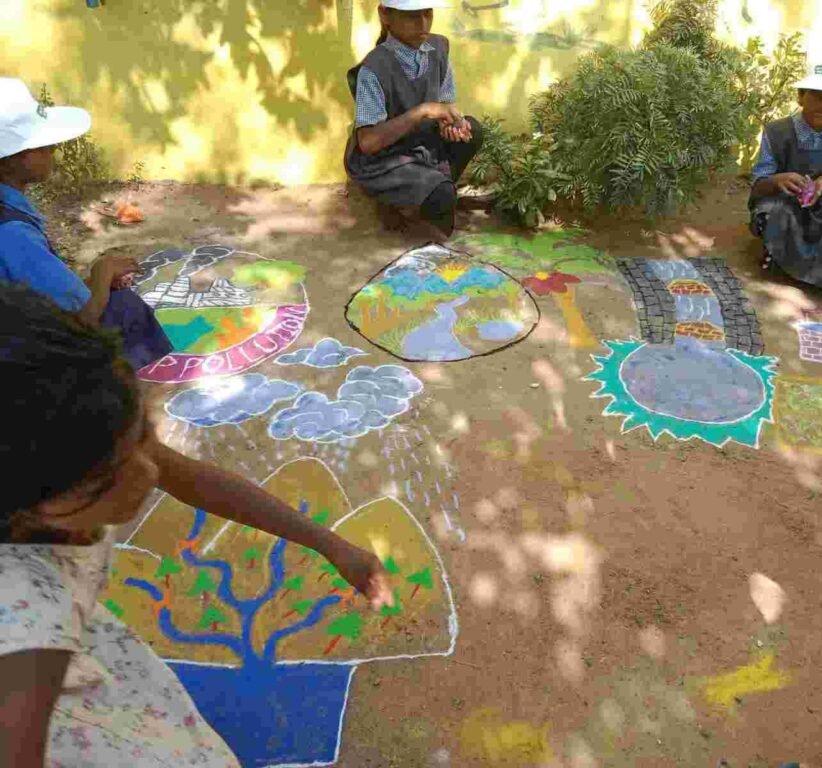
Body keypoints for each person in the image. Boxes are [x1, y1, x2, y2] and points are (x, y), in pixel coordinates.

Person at [0, 282, 393, 766]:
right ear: (27, 506)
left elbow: (193, 480)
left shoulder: (85, 437)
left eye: (144, 435)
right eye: (107, 478)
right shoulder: (28, 629)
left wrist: (330, 545)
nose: (148, 473)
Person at [0, 77, 172, 371]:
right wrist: (102, 273)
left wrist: (93, 282)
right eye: (39, 144)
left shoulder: (10, 211)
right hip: (20, 360)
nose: (53, 146)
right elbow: (81, 319)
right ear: (7, 161)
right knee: (124, 308)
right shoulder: (12, 233)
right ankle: (123, 392)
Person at [344, 0, 483, 238]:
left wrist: (450, 124)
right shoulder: (374, 69)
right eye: (411, 15)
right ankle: (399, 202)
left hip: (421, 143)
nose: (423, 23)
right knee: (441, 196)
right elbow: (368, 143)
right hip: (384, 159)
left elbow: (445, 106)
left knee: (473, 132)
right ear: (385, 14)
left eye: (428, 13)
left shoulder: (438, 48)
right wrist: (423, 111)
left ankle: (428, 192)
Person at [749, 47, 822, 294]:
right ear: (801, 97)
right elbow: (758, 185)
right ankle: (778, 264)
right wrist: (777, 180)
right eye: (816, 95)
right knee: (775, 212)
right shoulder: (776, 132)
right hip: (784, 201)